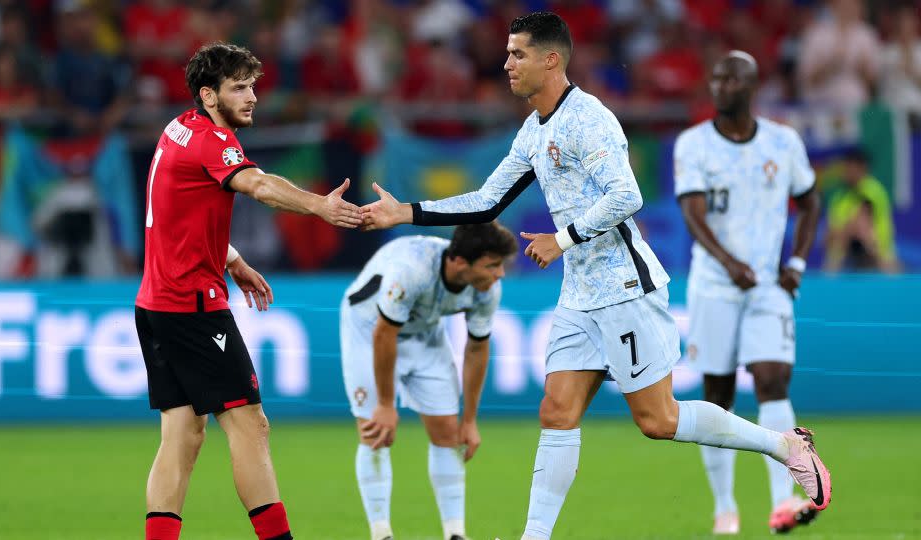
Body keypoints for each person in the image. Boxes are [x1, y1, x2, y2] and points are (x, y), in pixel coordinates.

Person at [360, 12, 832, 539]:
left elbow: (627, 195)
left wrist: (560, 240)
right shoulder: (534, 129)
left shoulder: (588, 118)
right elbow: (487, 199)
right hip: (579, 296)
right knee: (556, 412)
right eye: (509, 53)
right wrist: (407, 212)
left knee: (659, 421)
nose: (507, 63)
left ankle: (783, 445)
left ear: (551, 59)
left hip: (625, 288)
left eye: (518, 54)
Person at [134, 42, 362, 540]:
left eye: (253, 85)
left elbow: (180, 210)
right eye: (239, 87)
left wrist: (232, 259)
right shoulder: (214, 141)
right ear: (208, 95)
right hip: (193, 308)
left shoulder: (179, 127)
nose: (253, 97)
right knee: (249, 425)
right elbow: (257, 185)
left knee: (182, 434)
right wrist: (319, 205)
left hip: (156, 303)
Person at [674, 51, 822, 535]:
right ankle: (725, 506)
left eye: (731, 77)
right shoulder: (694, 144)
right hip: (714, 287)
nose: (720, 84)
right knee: (717, 394)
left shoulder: (783, 141)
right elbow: (693, 214)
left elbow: (809, 198)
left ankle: (782, 502)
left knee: (772, 380)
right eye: (715, 76)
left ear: (752, 85)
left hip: (767, 287)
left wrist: (796, 261)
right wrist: (729, 262)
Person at [343, 222, 517, 540]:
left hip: (424, 330)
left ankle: (455, 534)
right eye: (493, 265)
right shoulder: (412, 270)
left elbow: (477, 347)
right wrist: (385, 404)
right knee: (376, 432)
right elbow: (384, 333)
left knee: (448, 432)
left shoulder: (487, 288)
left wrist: (470, 420)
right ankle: (381, 533)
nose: (500, 274)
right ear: (461, 262)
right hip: (369, 330)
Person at [824, 148, 900, 272]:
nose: (847, 172)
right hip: (846, 253)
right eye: (846, 167)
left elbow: (862, 226)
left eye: (851, 167)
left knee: (861, 230)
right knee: (833, 254)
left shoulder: (874, 192)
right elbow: (829, 236)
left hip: (876, 253)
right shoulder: (839, 197)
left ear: (862, 168)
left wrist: (847, 229)